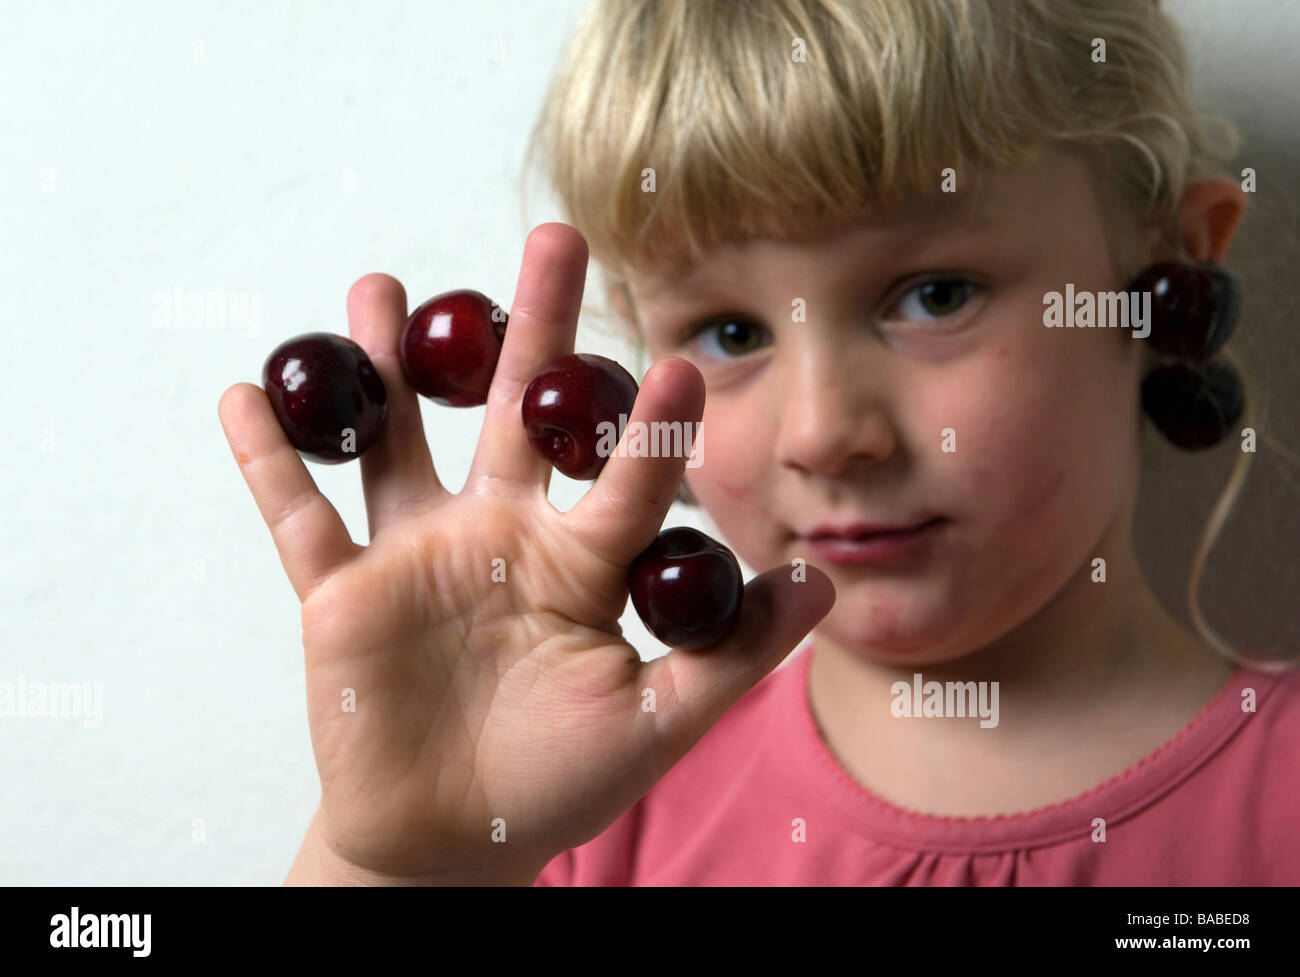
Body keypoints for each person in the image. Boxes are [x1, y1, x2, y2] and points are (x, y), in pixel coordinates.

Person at [219, 0, 1299, 885]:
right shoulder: (572, 820)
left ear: (1166, 278)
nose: (825, 432)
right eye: (730, 333)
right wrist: (406, 864)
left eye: (934, 295)